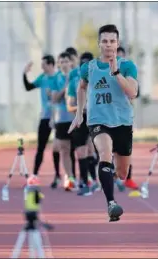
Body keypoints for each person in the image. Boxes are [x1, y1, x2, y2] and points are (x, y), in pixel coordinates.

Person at [68, 24, 138, 222]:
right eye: (105, 41)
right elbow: (81, 88)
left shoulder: (127, 66)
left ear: (117, 43)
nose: (108, 45)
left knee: (123, 173)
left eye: (112, 41)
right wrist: (80, 113)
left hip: (123, 122)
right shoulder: (88, 68)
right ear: (99, 44)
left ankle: (108, 174)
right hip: (98, 121)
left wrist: (116, 73)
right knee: (105, 153)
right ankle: (111, 203)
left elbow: (132, 92)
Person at [23, 55, 61, 187]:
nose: (42, 67)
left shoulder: (58, 77)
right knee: (41, 147)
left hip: (58, 117)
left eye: (44, 64)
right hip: (45, 116)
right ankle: (34, 175)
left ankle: (58, 176)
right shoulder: (42, 78)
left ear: (51, 65)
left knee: (58, 147)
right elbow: (29, 87)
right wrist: (24, 74)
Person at [66, 51, 101, 196]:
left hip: (95, 120)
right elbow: (69, 106)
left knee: (93, 151)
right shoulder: (74, 81)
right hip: (80, 119)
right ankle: (85, 182)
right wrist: (80, 108)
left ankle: (94, 179)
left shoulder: (99, 81)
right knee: (81, 152)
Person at [50, 52, 77, 191]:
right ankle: (69, 177)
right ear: (58, 64)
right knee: (65, 150)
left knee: (81, 149)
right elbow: (54, 98)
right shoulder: (56, 78)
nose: (64, 64)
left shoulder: (77, 76)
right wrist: (65, 88)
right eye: (61, 62)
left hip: (76, 118)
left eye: (66, 61)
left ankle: (87, 177)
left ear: (71, 63)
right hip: (61, 118)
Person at [116, 46, 139, 190]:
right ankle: (111, 178)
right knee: (110, 149)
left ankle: (128, 177)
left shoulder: (129, 70)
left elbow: (134, 93)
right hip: (109, 116)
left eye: (120, 55)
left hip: (125, 117)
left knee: (125, 150)